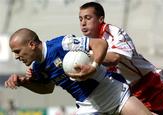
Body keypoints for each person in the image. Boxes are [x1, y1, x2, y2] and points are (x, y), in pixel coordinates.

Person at [5, 28, 152, 115]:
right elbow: (47, 88)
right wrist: (24, 83)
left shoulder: (62, 44)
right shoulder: (37, 67)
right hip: (88, 106)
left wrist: (93, 66)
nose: (16, 56)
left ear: (31, 44)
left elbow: (100, 43)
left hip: (112, 92)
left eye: (18, 51)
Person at [78, 2, 163, 115]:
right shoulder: (86, 44)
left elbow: (114, 58)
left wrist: (88, 55)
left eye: (88, 18)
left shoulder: (115, 33)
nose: (83, 23)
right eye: (81, 19)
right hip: (126, 94)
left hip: (150, 83)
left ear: (100, 19)